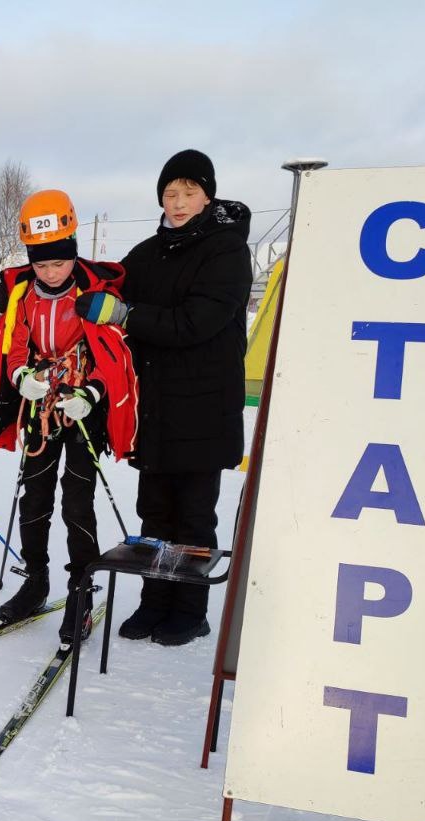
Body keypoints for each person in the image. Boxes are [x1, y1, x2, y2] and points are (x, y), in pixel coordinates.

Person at [91, 148, 252, 646]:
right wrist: (50, 278)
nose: (178, 202)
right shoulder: (149, 252)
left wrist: (124, 315)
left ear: (208, 195)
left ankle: (189, 609)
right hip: (156, 409)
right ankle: (154, 602)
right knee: (155, 515)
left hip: (203, 409)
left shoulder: (227, 251)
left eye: (188, 192)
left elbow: (194, 323)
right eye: (169, 193)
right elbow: (105, 281)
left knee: (194, 518)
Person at [0, 189, 138, 643]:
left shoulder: (94, 295)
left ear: (73, 255)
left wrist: (91, 392)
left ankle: (80, 588)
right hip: (41, 410)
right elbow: (13, 350)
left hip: (82, 411)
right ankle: (36, 579)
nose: (51, 272)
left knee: (76, 503)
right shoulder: (23, 298)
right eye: (41, 264)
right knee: (34, 499)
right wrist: (20, 378)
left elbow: (113, 356)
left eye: (59, 263)